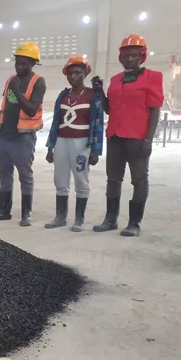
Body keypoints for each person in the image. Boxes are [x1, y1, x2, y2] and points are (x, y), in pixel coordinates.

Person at [91, 34, 164, 237]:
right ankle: (110, 219)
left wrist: (148, 140)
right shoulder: (115, 80)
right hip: (114, 136)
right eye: (126, 55)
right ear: (120, 57)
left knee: (139, 181)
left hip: (138, 138)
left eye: (134, 55)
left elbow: (155, 111)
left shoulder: (153, 77)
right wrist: (100, 92)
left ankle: (134, 223)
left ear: (142, 56)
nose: (129, 58)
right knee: (113, 180)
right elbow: (108, 109)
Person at [0, 41, 47, 227]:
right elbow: (7, 106)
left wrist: (17, 90)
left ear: (33, 63)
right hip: (4, 135)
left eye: (24, 63)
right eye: (17, 62)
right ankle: (4, 210)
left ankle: (26, 213)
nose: (20, 67)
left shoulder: (39, 82)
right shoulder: (11, 79)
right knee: (4, 174)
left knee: (25, 175)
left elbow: (30, 110)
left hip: (23, 137)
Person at [44, 55, 104, 232]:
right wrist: (50, 147)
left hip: (82, 143)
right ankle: (60, 217)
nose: (73, 77)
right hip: (62, 141)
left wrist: (96, 151)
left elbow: (99, 123)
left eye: (77, 73)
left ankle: (79, 219)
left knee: (80, 179)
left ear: (85, 73)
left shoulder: (93, 95)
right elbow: (56, 122)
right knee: (60, 178)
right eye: (70, 74)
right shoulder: (63, 96)